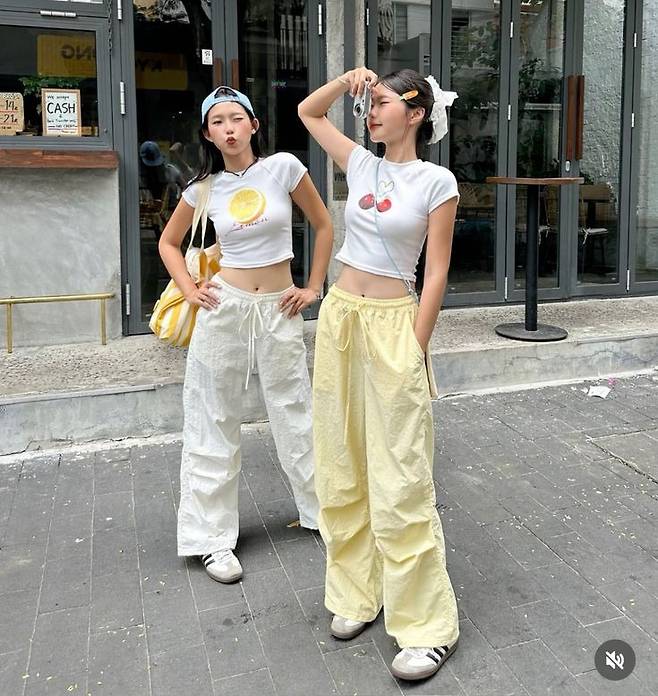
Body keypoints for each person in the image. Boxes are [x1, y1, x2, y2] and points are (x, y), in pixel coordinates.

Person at [298, 67, 460, 681]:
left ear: (415, 114)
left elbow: (436, 271)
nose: (371, 111)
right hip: (341, 317)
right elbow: (309, 114)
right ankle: (357, 592)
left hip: (394, 324)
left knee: (401, 474)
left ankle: (427, 626)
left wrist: (415, 344)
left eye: (382, 102)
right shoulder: (360, 164)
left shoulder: (437, 182)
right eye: (371, 102)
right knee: (341, 459)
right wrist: (347, 82)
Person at [159, 86, 333, 583]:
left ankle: (323, 513)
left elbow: (323, 225)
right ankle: (211, 539)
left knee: (296, 412)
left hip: (279, 306)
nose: (229, 128)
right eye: (218, 122)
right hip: (226, 307)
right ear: (208, 134)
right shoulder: (203, 189)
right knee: (212, 417)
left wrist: (313, 286)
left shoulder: (283, 168)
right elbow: (170, 243)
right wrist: (190, 290)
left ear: (254, 125)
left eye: (237, 118)